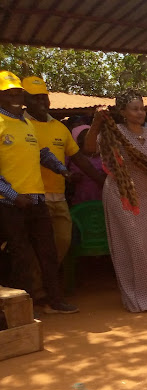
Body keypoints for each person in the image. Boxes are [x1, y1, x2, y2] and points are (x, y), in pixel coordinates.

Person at [84, 90, 147, 312]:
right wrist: (96, 123)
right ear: (122, 112)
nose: (140, 113)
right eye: (135, 109)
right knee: (135, 244)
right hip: (122, 194)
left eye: (142, 108)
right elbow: (89, 149)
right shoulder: (113, 132)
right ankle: (143, 296)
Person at [0, 71, 78, 313]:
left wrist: (62, 169)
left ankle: (55, 300)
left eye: (18, 93)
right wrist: (14, 196)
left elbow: (42, 153)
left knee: (49, 253)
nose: (15, 97)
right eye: (9, 93)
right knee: (21, 257)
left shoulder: (27, 123)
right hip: (10, 204)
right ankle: (27, 307)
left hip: (37, 199)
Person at [22, 76, 106, 266]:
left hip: (58, 197)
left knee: (63, 240)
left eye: (44, 97)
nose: (41, 102)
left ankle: (50, 277)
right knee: (34, 243)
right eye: (35, 98)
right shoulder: (20, 125)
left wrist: (104, 181)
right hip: (32, 195)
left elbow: (80, 159)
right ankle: (41, 286)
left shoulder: (60, 128)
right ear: (25, 100)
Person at [67, 125, 106, 205]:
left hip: (101, 200)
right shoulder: (73, 158)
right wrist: (71, 177)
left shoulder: (104, 157)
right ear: (80, 143)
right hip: (79, 200)